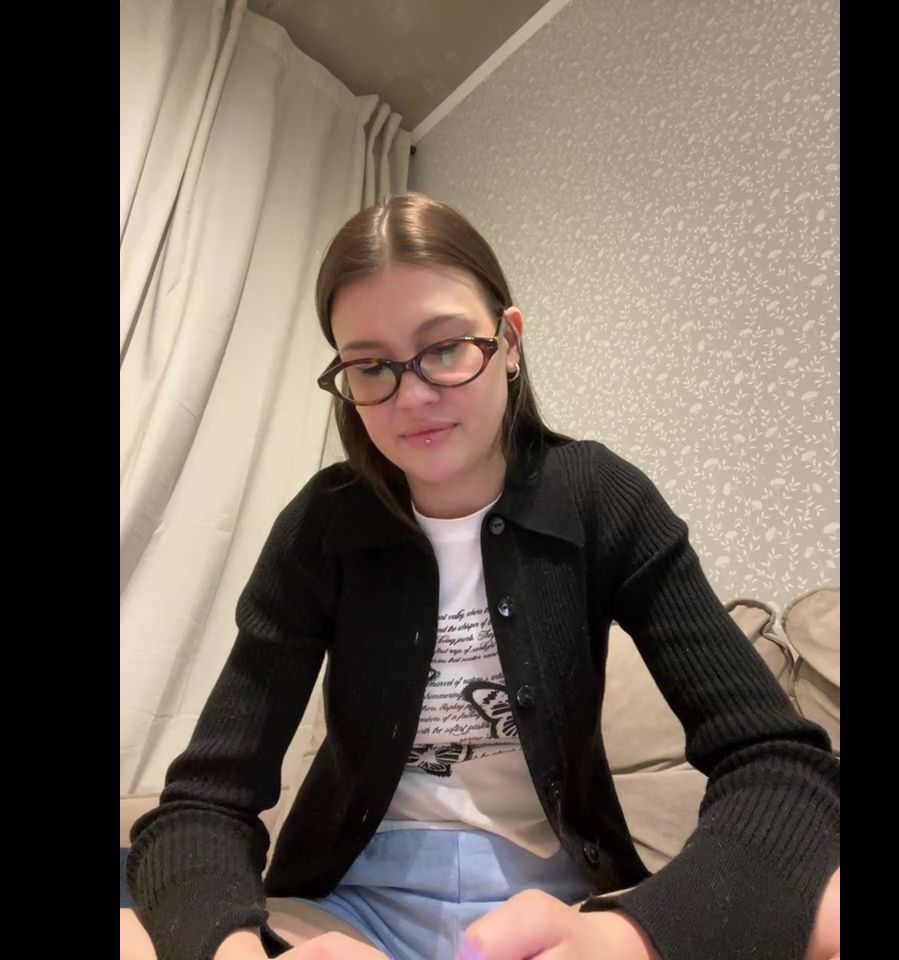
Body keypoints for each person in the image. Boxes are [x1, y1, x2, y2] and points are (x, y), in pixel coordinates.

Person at [121, 193, 840, 960]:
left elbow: (777, 764)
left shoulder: (601, 497)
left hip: (562, 905)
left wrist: (629, 938)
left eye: (444, 348)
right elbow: (204, 803)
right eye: (371, 365)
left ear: (510, 342)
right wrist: (233, 952)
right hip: (346, 910)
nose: (412, 395)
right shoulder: (320, 528)